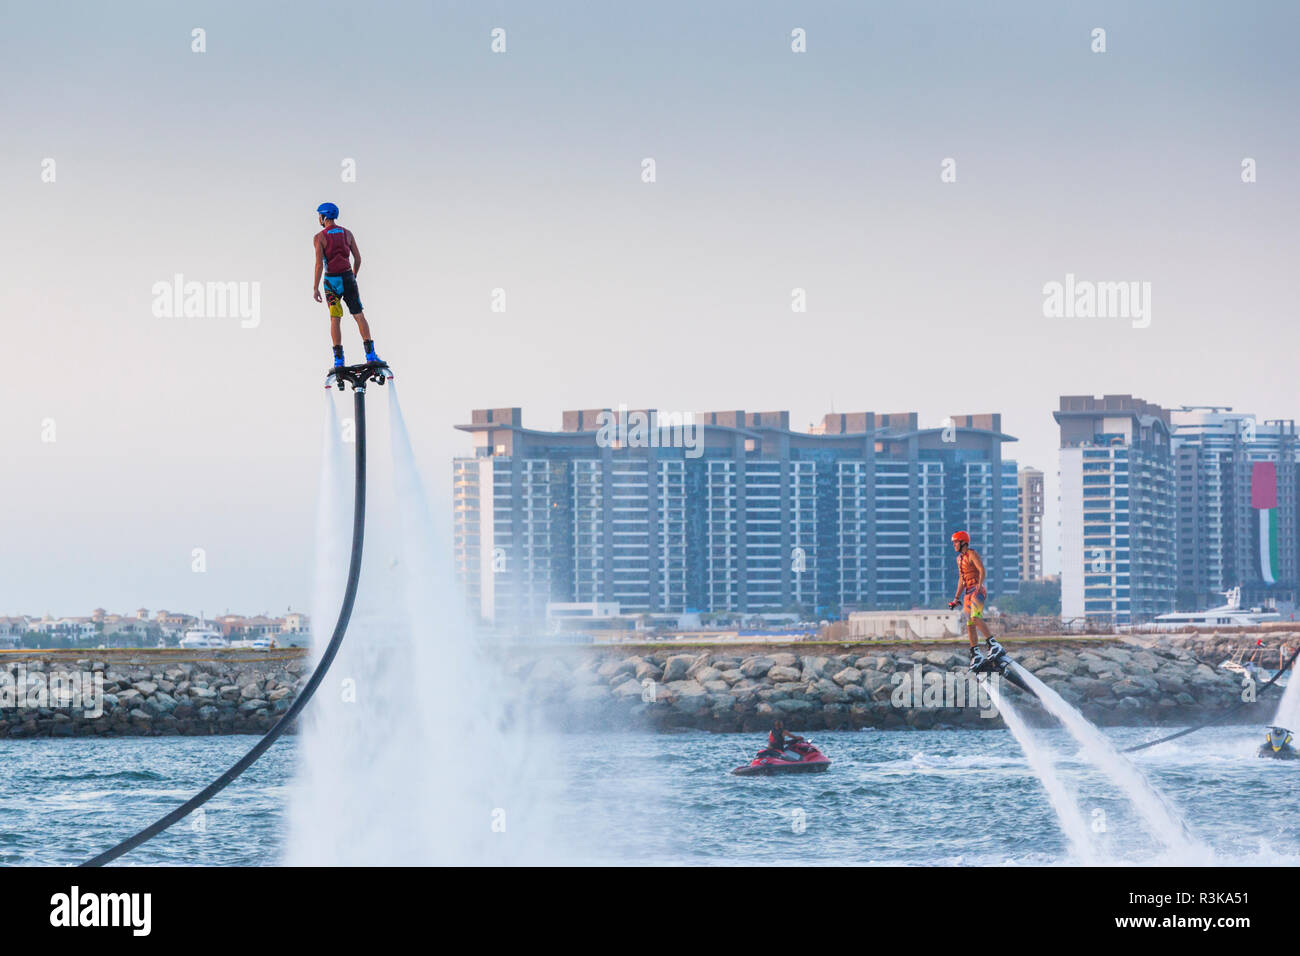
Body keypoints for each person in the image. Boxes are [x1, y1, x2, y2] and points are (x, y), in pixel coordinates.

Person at [312, 203, 380, 368]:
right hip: (348, 278)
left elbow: (319, 265)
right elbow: (358, 258)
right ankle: (371, 355)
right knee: (358, 315)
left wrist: (315, 287)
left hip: (331, 283)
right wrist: (354, 275)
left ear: (322, 217)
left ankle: (339, 360)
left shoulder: (319, 237)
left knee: (335, 318)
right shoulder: (347, 233)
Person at [947, 530, 1003, 669]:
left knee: (976, 617)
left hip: (977, 590)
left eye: (955, 542)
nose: (954, 545)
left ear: (963, 542)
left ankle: (993, 644)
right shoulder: (959, 559)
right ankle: (976, 653)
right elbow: (961, 579)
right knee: (969, 624)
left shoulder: (972, 554)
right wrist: (956, 598)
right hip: (967, 593)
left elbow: (981, 570)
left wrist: (980, 583)